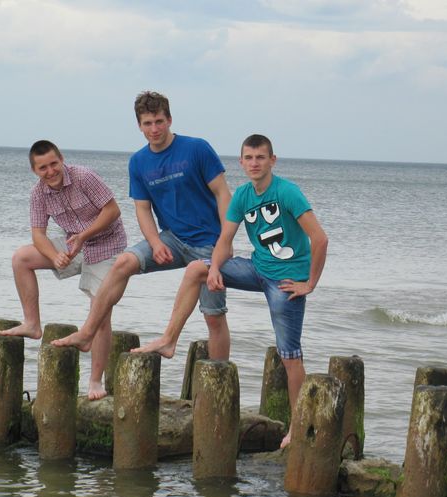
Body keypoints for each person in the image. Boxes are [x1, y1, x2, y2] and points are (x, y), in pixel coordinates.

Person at [134, 134, 328, 449]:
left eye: (260, 157)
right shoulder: (242, 196)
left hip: (286, 282)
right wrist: (213, 268)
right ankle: (169, 340)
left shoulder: (287, 192)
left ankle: (297, 427)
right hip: (256, 269)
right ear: (241, 162)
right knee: (195, 269)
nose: (254, 163)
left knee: (290, 356)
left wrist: (310, 283)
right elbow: (224, 241)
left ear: (272, 160)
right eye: (249, 158)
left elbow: (319, 239)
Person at [52, 91, 232, 359]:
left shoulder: (197, 149)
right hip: (172, 239)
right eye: (147, 123)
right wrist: (156, 243)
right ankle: (87, 333)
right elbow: (143, 209)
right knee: (123, 262)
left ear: (169, 120)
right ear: (139, 125)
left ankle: (210, 367)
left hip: (209, 243)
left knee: (213, 317)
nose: (154, 129)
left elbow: (223, 195)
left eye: (159, 121)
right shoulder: (138, 162)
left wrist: (225, 242)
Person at [0, 139, 127, 400]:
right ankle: (32, 324)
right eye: (43, 168)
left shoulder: (84, 177)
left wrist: (83, 236)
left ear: (62, 159)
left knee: (100, 312)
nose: (50, 171)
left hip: (107, 245)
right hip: (73, 244)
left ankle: (95, 382)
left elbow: (113, 210)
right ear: (35, 170)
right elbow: (38, 234)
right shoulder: (38, 193)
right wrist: (54, 256)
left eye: (54, 164)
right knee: (21, 259)